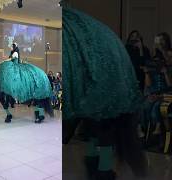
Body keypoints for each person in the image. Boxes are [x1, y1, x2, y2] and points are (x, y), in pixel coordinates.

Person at [63, 7, 147, 180]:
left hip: (111, 101)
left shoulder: (131, 55)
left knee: (102, 133)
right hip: (106, 100)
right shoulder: (113, 53)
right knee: (97, 133)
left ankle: (102, 170)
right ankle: (100, 168)